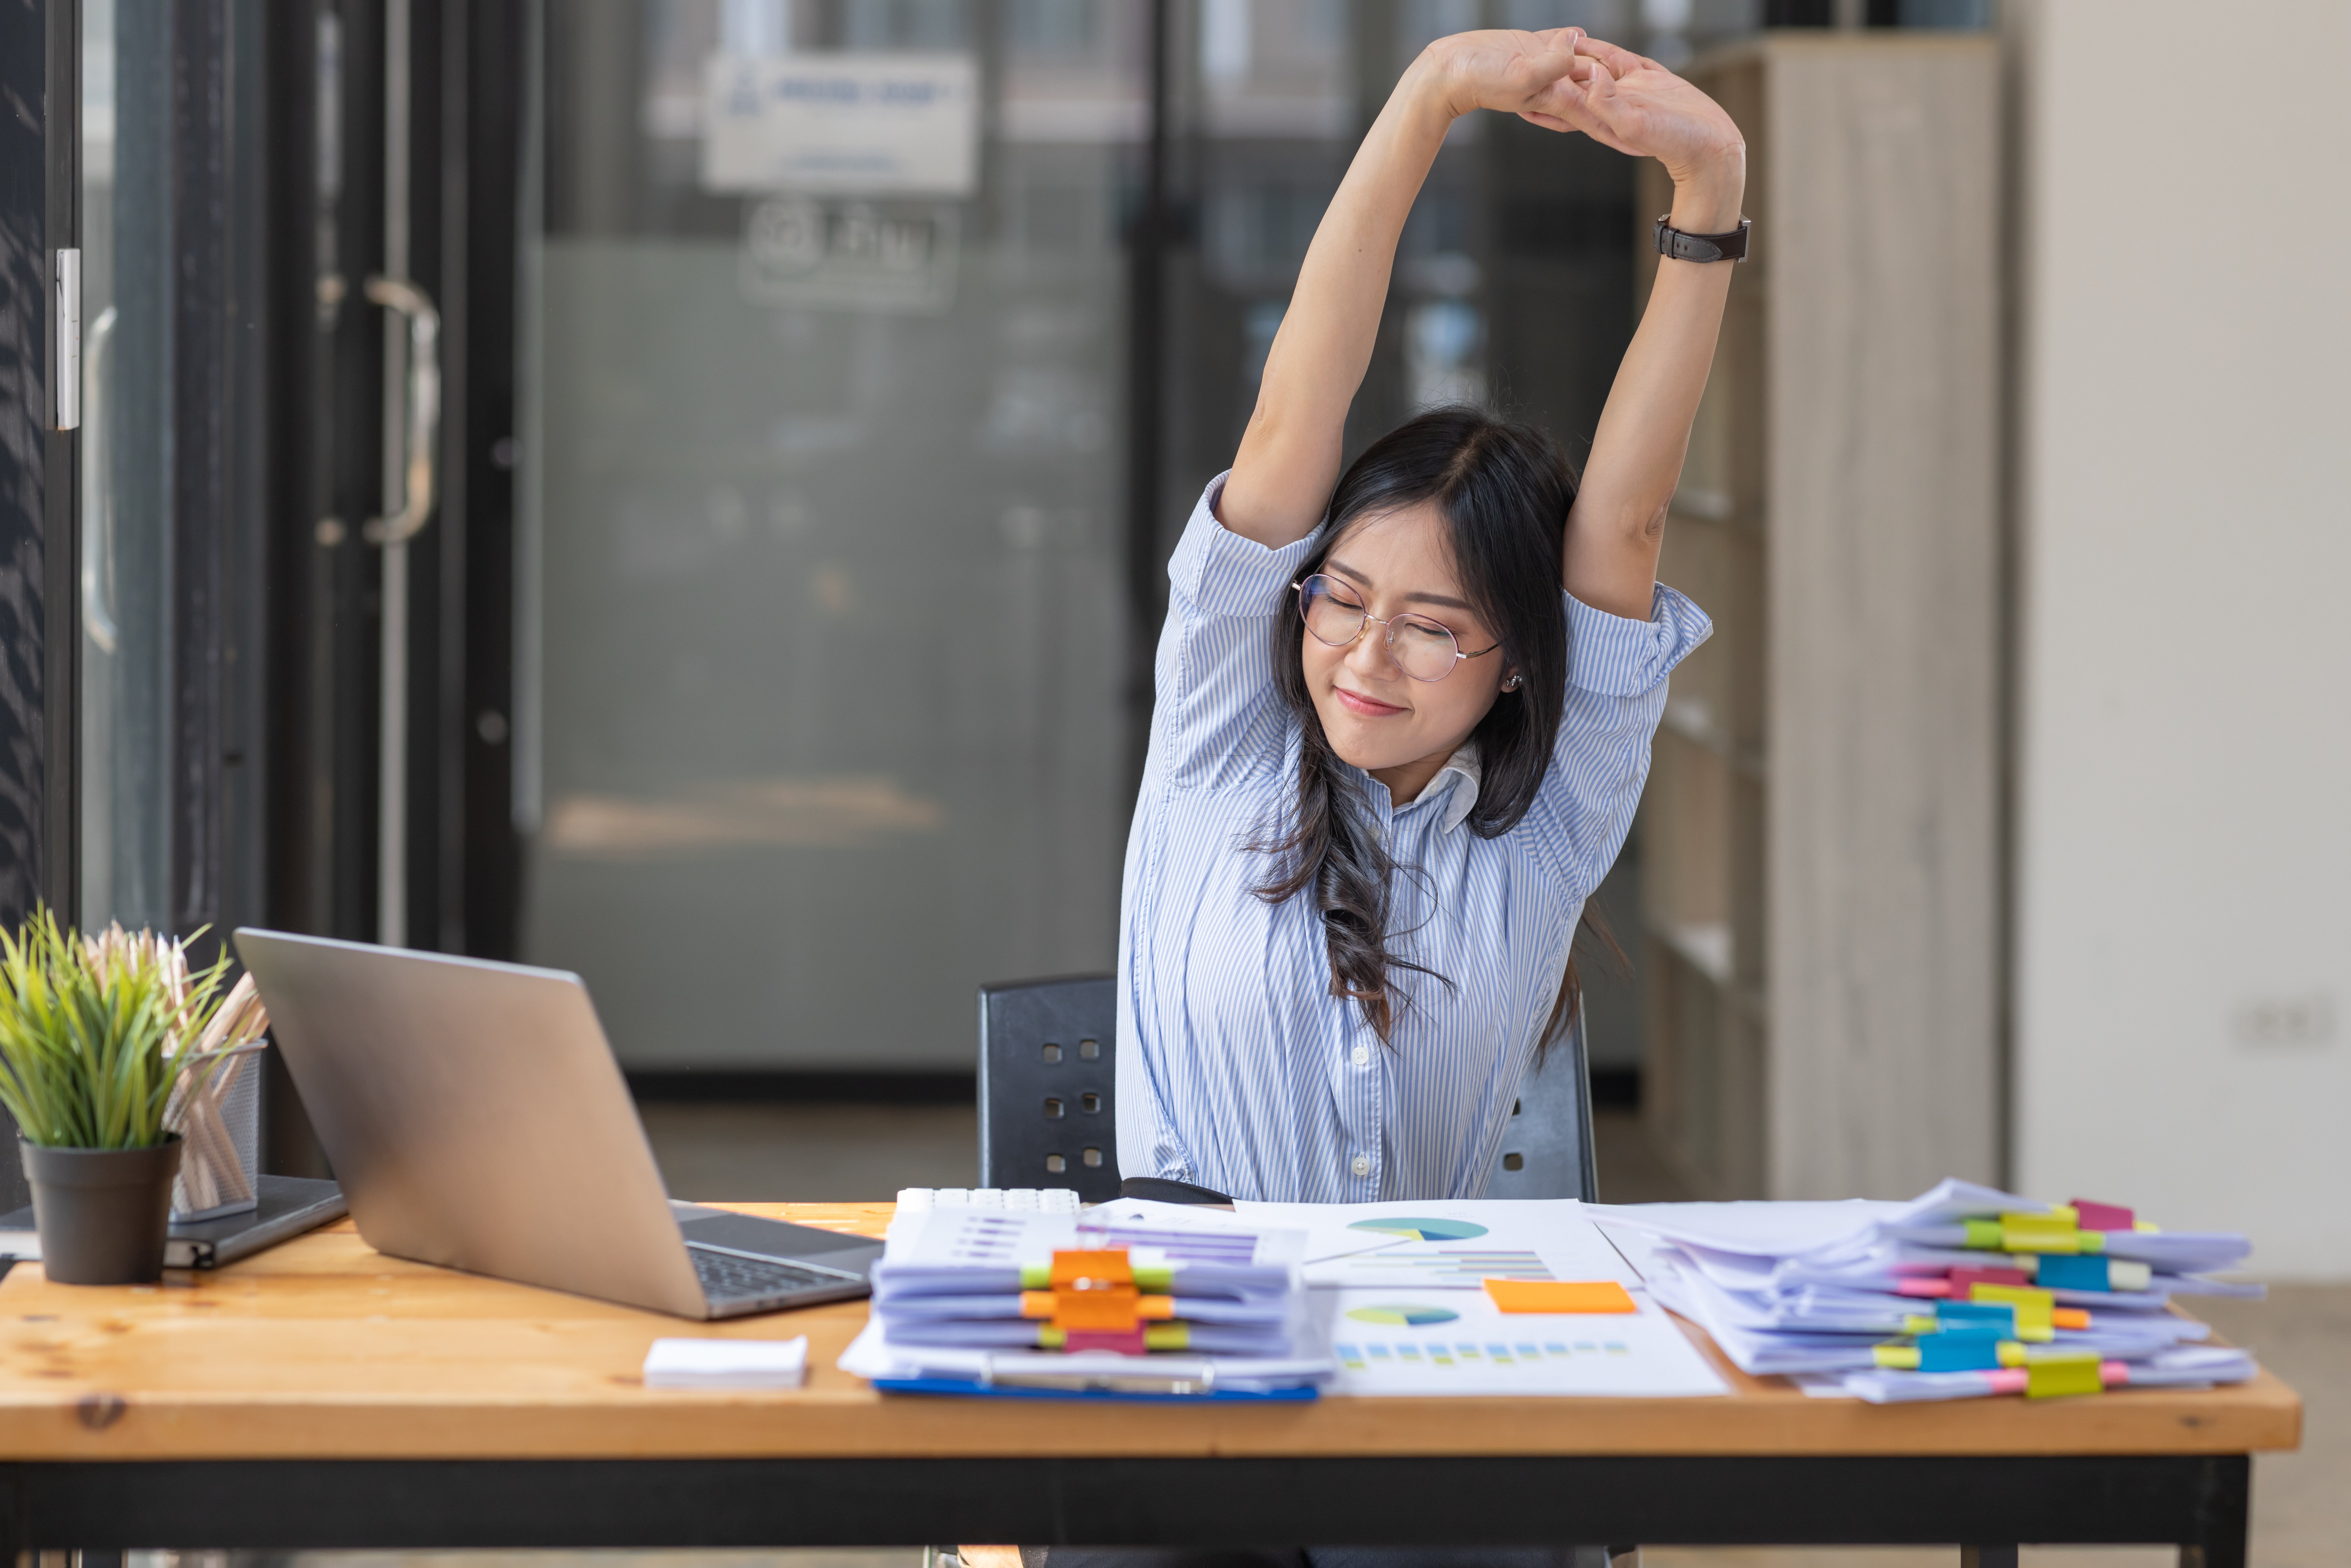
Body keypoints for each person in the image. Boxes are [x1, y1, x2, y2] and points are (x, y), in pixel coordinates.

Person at [1113, 24, 1743, 1208]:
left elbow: (1627, 521)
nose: (1361, 653)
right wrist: (1429, 93)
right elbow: (1292, 419)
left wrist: (1709, 190)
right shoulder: (1222, 741)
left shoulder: (1545, 829)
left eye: (1431, 626)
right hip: (1193, 1343)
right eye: (1340, 598)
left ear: (1515, 660)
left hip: (1425, 1345)